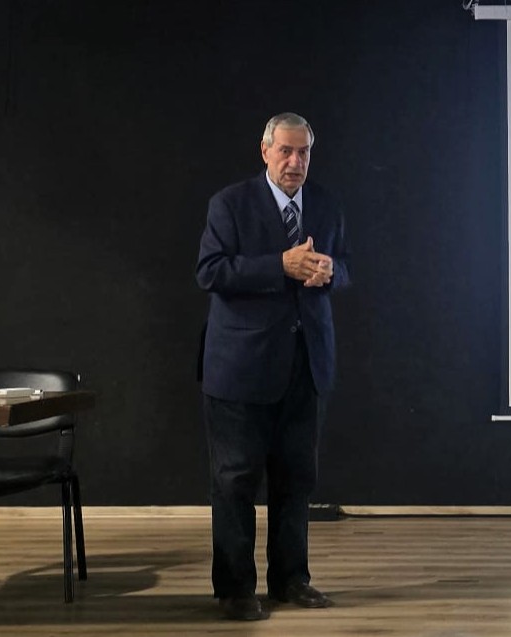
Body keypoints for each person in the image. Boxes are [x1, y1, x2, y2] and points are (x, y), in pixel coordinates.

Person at [196, 112, 350, 621]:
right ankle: (236, 589)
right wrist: (279, 265)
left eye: (303, 152)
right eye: (285, 151)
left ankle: (291, 580)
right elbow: (210, 271)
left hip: (305, 365)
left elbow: (346, 266)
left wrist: (330, 271)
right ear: (265, 151)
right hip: (240, 367)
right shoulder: (230, 204)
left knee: (296, 480)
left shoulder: (326, 204)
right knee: (235, 481)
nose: (295, 162)